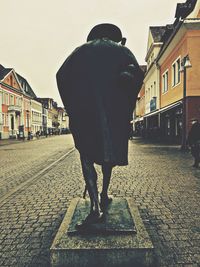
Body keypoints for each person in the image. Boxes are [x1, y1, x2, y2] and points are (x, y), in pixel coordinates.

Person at [56, 23, 144, 227]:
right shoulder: (122, 50)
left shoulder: (79, 52)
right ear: (115, 36)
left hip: (84, 114)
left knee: (86, 157)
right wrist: (124, 99)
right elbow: (136, 76)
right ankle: (104, 194)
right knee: (108, 157)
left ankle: (95, 206)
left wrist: (73, 106)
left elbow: (61, 77)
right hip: (112, 114)